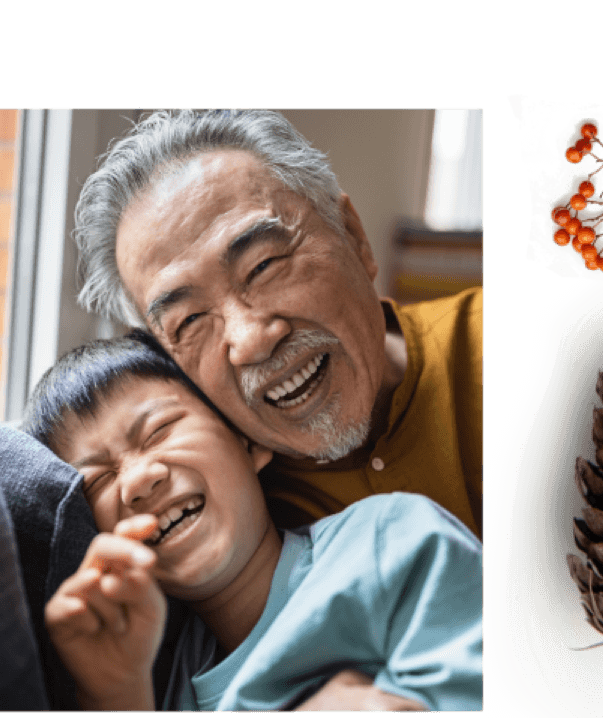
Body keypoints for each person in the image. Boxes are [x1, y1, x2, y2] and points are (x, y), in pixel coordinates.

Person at [73, 108, 483, 541]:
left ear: (353, 236)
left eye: (263, 265)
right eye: (189, 320)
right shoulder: (212, 516)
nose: (250, 341)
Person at [21, 335, 483, 712]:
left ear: (249, 438)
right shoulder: (154, 679)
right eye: (98, 481)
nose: (138, 481)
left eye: (159, 430)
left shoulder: (389, 542)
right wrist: (115, 695)